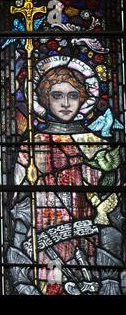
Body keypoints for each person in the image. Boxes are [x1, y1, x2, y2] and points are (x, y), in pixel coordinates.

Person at [7, 62, 124, 295]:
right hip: (45, 232)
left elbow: (113, 199)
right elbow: (18, 199)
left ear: (83, 99)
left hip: (90, 234)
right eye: (57, 95)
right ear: (44, 99)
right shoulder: (33, 141)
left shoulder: (97, 142)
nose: (66, 103)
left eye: (73, 95)